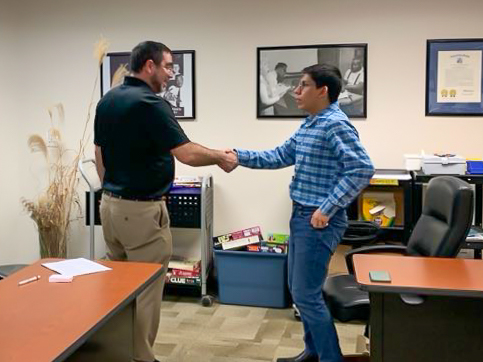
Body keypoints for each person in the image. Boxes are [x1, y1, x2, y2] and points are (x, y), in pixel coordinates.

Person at [94, 40, 236, 362]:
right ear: (149, 66)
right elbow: (185, 152)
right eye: (168, 66)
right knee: (146, 289)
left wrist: (110, 190)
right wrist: (220, 157)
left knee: (118, 286)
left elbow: (99, 152)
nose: (171, 74)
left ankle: (117, 352)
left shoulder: (109, 100)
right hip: (142, 212)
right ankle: (142, 357)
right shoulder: (152, 104)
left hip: (111, 208)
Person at [227, 64, 374, 362]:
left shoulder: (334, 124)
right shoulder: (311, 123)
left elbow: (362, 169)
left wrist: (328, 207)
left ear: (323, 90)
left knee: (306, 295)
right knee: (301, 291)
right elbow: (279, 155)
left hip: (319, 220)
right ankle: (313, 351)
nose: (296, 91)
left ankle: (329, 358)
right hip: (302, 215)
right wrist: (237, 156)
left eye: (303, 85)